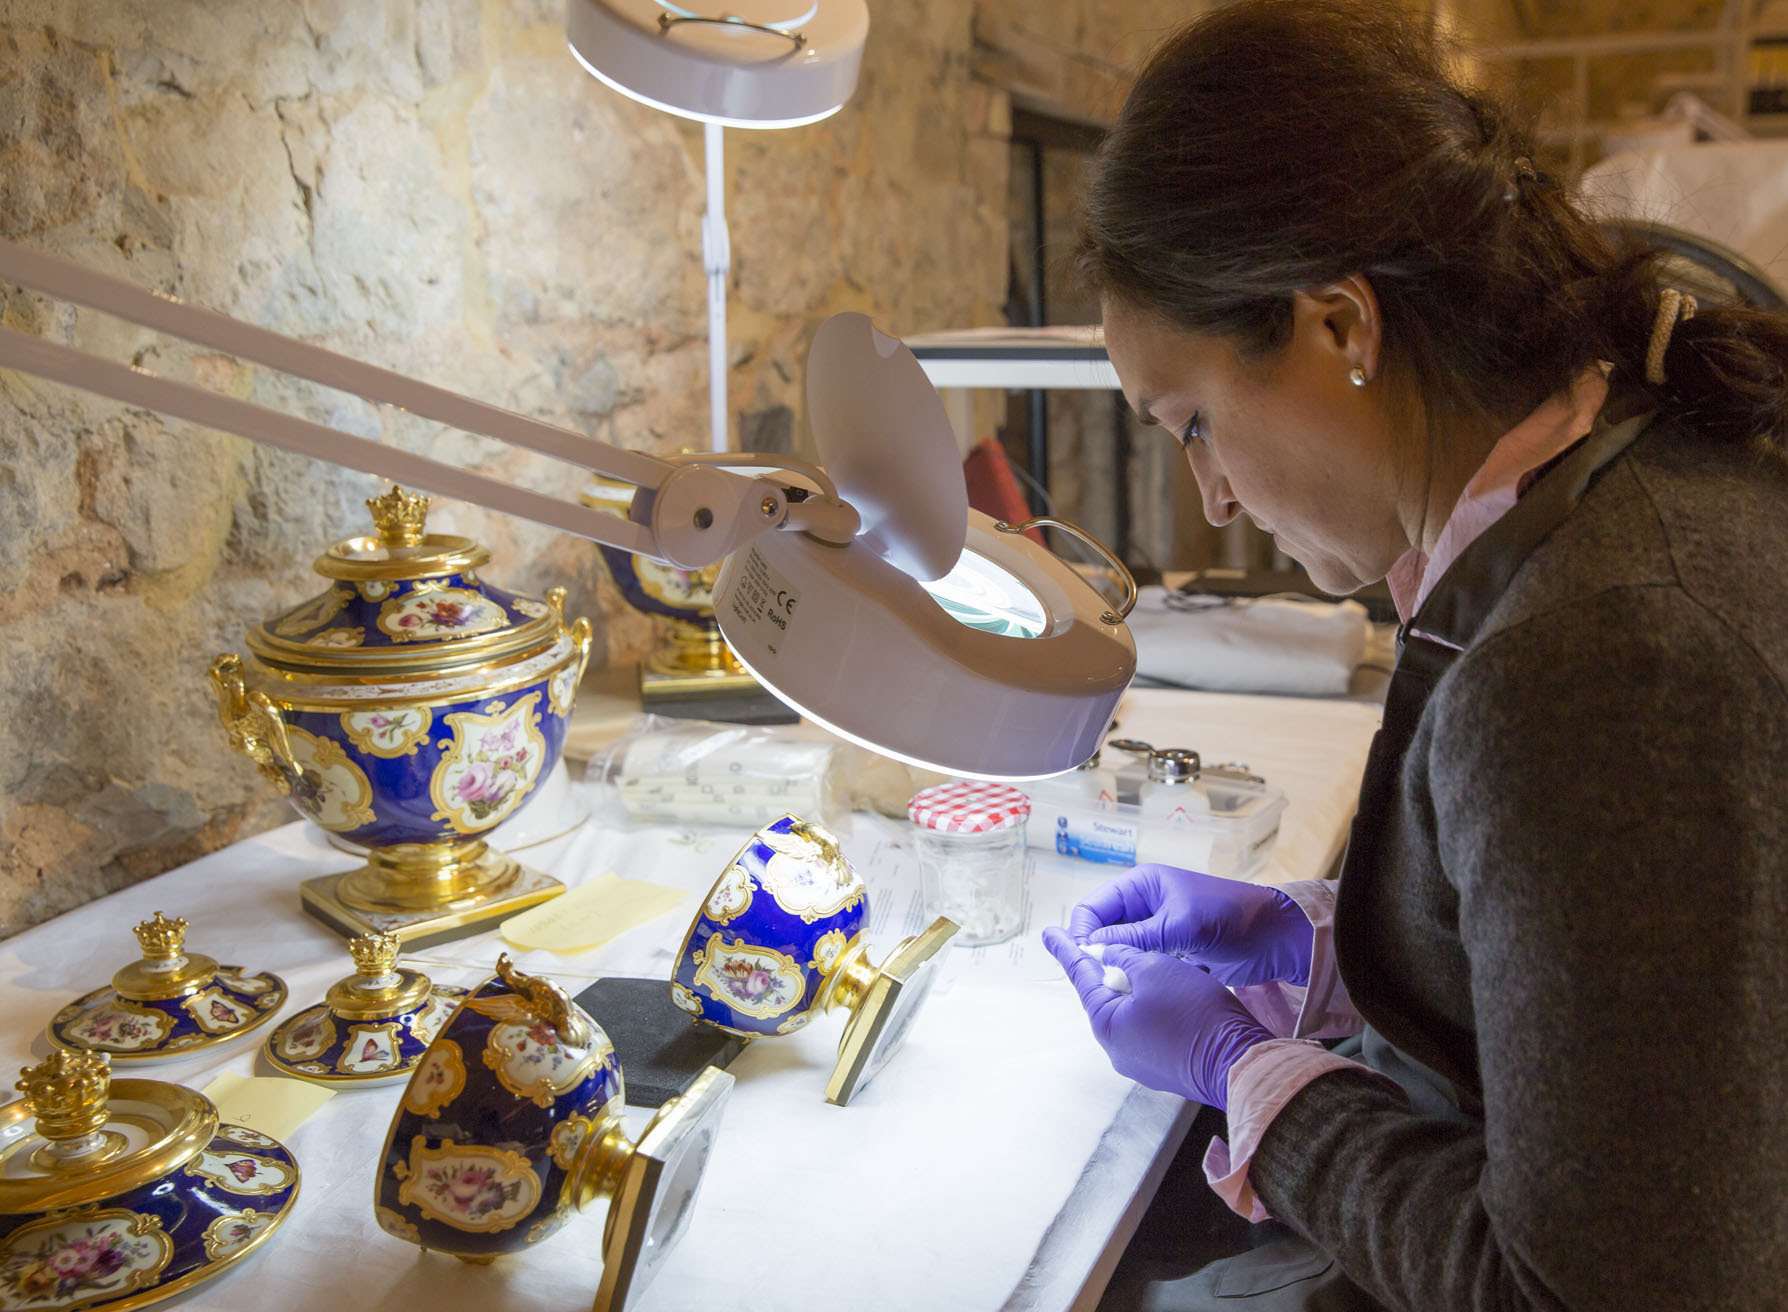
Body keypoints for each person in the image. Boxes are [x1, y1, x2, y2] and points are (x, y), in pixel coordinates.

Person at [1041, 3, 1788, 1310]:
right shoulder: (1626, 476)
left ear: (1341, 328)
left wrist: (1248, 1074)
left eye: (1198, 421)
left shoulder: (1593, 658)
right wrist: (1327, 944)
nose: (1210, 497)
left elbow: (1580, 1293)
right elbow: (1629, 977)